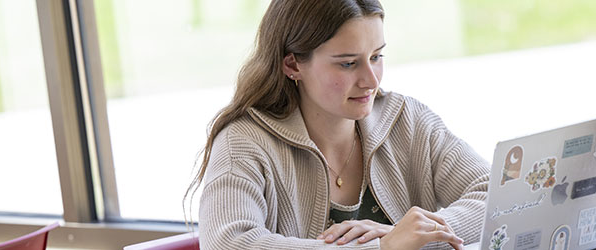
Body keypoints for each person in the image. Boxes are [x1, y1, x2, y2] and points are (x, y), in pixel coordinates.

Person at [184, 0, 490, 249]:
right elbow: (230, 243)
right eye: (348, 63)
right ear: (293, 65)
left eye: (376, 56)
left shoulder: (408, 120)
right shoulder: (242, 143)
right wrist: (384, 247)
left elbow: (494, 195)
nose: (371, 80)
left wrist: (407, 236)